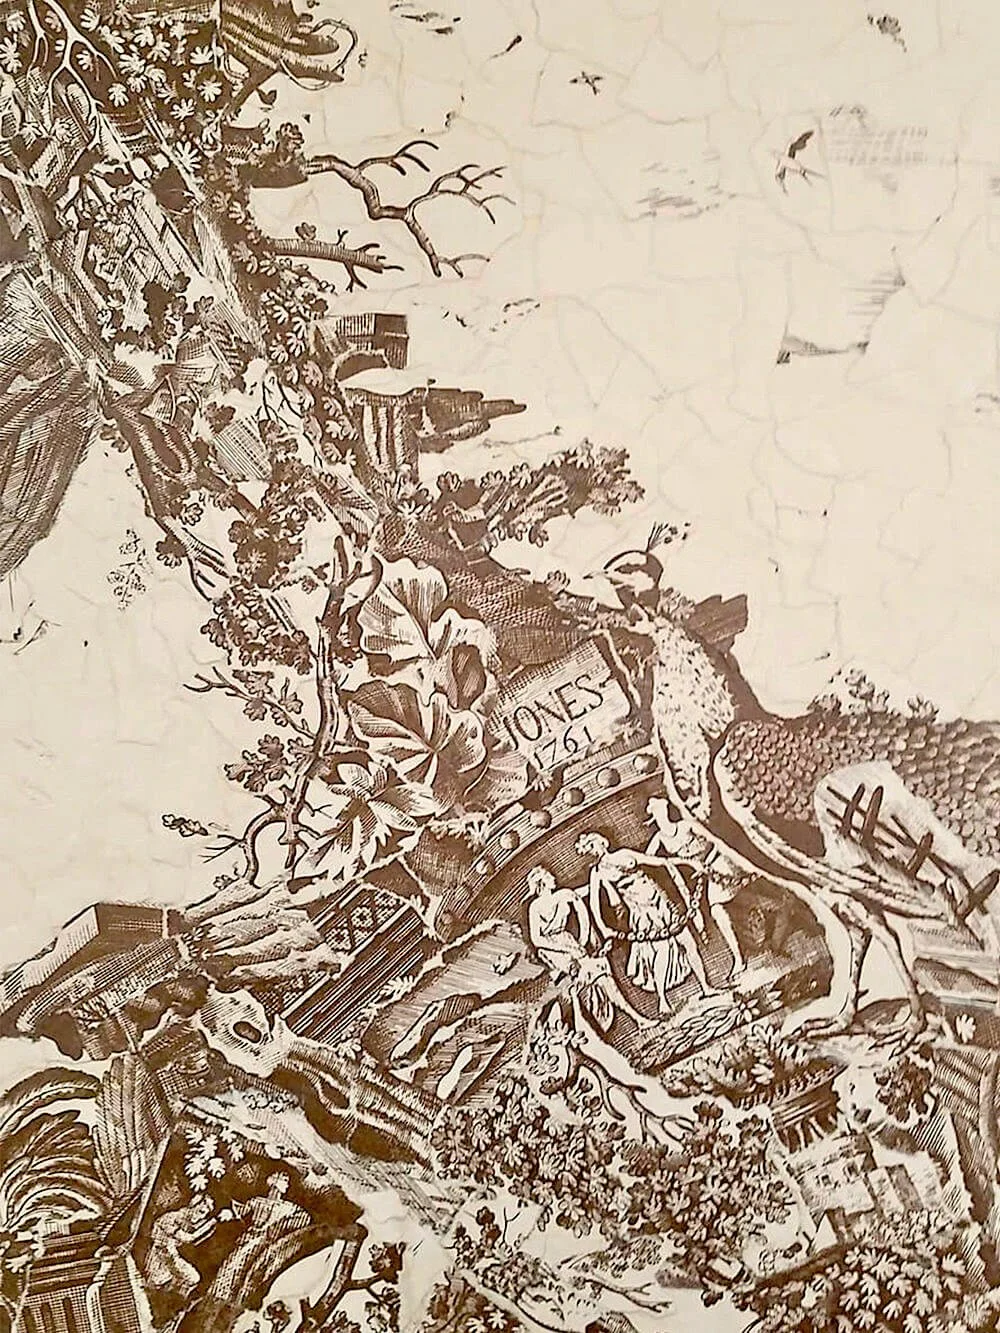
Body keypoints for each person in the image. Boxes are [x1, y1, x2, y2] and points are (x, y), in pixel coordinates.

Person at [576, 830, 720, 1000]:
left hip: (661, 902)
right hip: (642, 913)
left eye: (593, 845)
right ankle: (663, 999)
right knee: (661, 952)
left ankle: (705, 987)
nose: (593, 850)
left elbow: (660, 862)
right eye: (589, 849)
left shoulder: (624, 853)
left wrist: (689, 864)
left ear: (601, 841)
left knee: (688, 942)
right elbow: (594, 905)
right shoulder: (597, 872)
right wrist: (604, 929)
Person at [525, 865, 651, 1031]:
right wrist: (566, 950)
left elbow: (581, 910)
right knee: (599, 974)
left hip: (570, 942)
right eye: (549, 877)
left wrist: (583, 938)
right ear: (541, 883)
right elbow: (537, 939)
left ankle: (631, 1017)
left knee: (601, 973)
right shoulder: (535, 907)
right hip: (553, 950)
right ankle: (636, 1018)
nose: (553, 878)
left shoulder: (564, 895)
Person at [645, 797, 749, 980]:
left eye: (662, 810)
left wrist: (706, 864)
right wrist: (682, 862)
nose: (661, 815)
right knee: (717, 910)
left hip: (721, 862)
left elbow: (717, 840)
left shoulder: (686, 825)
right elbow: (648, 860)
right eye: (657, 813)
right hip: (708, 875)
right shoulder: (659, 838)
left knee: (737, 899)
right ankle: (738, 958)